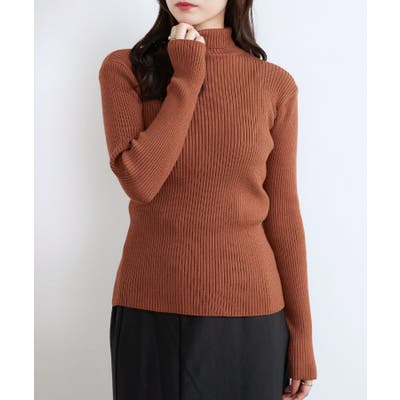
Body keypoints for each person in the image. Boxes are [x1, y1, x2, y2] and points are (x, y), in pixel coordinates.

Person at [98, 1, 317, 399]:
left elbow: (284, 216)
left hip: (250, 316)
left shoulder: (274, 84)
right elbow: (141, 181)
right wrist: (187, 77)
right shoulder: (126, 69)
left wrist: (301, 337)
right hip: (150, 308)